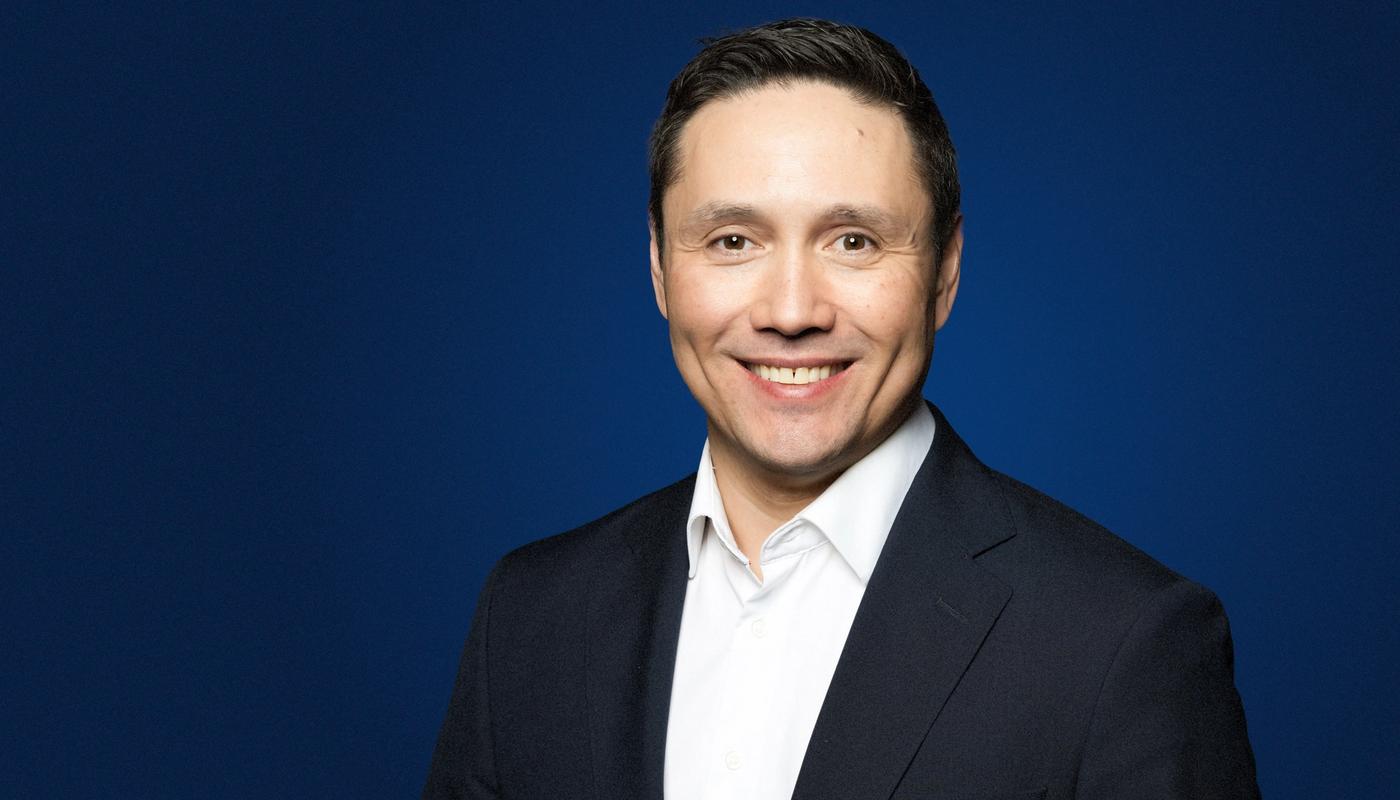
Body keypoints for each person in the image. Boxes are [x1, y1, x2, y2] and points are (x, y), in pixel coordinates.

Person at [424, 18, 1259, 800]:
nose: (792, 311)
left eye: (853, 241)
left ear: (944, 272)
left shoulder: (1124, 642)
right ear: (659, 269)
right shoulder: (527, 615)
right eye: (733, 241)